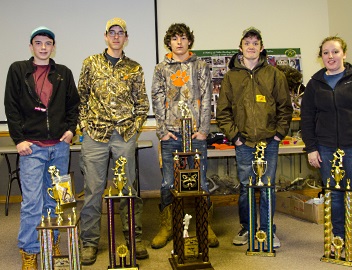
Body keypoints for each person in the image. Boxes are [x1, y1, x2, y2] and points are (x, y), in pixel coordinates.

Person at [4, 26, 80, 269]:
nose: (44, 47)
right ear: (31, 46)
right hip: (31, 149)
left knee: (58, 200)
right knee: (32, 203)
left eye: (48, 43)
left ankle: (52, 242)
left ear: (53, 46)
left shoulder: (64, 73)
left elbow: (73, 106)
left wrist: (71, 130)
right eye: (39, 43)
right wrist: (18, 140)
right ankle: (30, 251)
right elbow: (11, 107)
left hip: (59, 148)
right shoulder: (18, 70)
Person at [78, 17, 149, 265]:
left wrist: (134, 128)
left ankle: (134, 238)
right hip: (95, 136)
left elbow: (142, 104)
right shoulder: (91, 64)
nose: (116, 36)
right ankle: (89, 242)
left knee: (128, 189)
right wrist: (85, 126)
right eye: (112, 32)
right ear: (106, 36)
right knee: (93, 190)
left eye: (121, 33)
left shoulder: (135, 68)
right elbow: (81, 98)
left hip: (124, 136)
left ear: (126, 38)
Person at [301, 36, 352, 254]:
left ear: (344, 54)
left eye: (335, 51)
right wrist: (312, 147)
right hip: (325, 148)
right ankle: (337, 235)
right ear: (321, 57)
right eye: (326, 52)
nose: (330, 56)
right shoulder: (315, 84)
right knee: (334, 194)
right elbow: (307, 117)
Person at [216, 27, 293, 247]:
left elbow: (285, 108)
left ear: (261, 47)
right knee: (246, 187)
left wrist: (278, 135)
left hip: (269, 142)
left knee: (267, 186)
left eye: (255, 43)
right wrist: (235, 137)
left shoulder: (275, 75)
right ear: (240, 48)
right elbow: (223, 111)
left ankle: (268, 230)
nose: (251, 46)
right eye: (247, 43)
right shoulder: (231, 77)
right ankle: (247, 228)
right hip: (244, 143)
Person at [151, 23, 219, 248]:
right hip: (172, 135)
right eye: (174, 38)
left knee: (200, 181)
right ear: (168, 43)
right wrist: (162, 131)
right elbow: (157, 98)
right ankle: (168, 225)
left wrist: (204, 130)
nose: (179, 42)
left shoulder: (200, 66)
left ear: (189, 41)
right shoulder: (161, 68)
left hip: (196, 134)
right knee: (168, 182)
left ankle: (204, 224)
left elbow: (207, 97)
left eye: (183, 37)